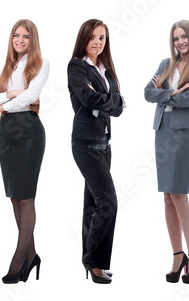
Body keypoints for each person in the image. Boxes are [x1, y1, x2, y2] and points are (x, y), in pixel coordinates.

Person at [143, 19, 189, 284]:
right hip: (163, 131)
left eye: (184, 37)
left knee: (179, 195)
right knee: (167, 197)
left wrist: (170, 92)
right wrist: (175, 89)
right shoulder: (165, 64)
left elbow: (186, 99)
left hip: (183, 135)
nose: (180, 42)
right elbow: (147, 93)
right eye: (175, 38)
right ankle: (177, 255)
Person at [0, 19, 49, 284]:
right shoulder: (7, 67)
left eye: (25, 37)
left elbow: (30, 97)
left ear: (33, 40)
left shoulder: (41, 64)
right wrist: (9, 94)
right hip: (7, 134)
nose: (20, 41)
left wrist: (5, 103)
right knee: (14, 197)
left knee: (26, 197)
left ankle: (19, 260)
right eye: (16, 36)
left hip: (29, 132)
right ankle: (32, 255)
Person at [67, 19, 124, 285]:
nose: (98, 42)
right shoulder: (77, 66)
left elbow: (119, 105)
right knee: (109, 201)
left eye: (102, 38)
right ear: (84, 39)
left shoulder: (106, 69)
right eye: (93, 37)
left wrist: (110, 101)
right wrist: (109, 101)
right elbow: (87, 100)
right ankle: (93, 261)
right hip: (85, 143)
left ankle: (93, 261)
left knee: (93, 203)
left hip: (105, 143)